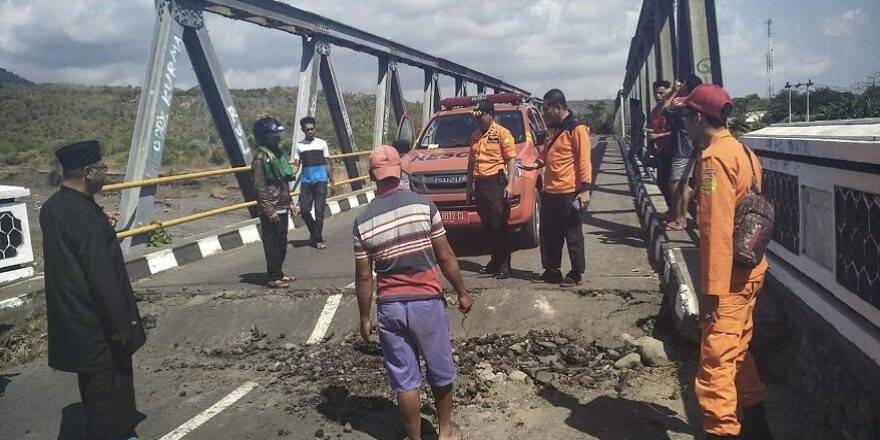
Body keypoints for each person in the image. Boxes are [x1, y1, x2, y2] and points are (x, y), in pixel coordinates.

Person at [671, 84, 775, 440]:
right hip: (752, 272)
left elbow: (716, 230)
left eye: (686, 116)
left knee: (715, 368)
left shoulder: (714, 160)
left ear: (699, 118)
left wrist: (711, 292)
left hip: (728, 281)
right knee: (739, 352)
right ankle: (760, 429)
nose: (684, 124)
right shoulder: (743, 151)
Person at [354, 144, 472, 440]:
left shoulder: (362, 222)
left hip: (390, 308)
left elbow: (364, 277)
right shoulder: (424, 206)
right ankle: (444, 433)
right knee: (440, 370)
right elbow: (446, 256)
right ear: (400, 169)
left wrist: (364, 317)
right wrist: (462, 292)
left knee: (405, 380)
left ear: (372, 176)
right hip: (426, 303)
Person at [40, 140, 146, 440]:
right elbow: (101, 276)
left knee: (93, 387)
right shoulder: (84, 215)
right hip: (98, 321)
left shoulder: (54, 207)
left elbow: (73, 244)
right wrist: (121, 324)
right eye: (102, 169)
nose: (106, 174)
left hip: (72, 316)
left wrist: (101, 221)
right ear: (87, 172)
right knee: (109, 387)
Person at [530, 89, 592, 287]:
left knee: (572, 234)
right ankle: (552, 270)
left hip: (569, 191)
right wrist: (534, 164)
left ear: (558, 107)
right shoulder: (554, 129)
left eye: (546, 109)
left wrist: (585, 189)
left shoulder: (577, 128)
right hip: (550, 191)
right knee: (549, 234)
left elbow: (584, 160)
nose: (544, 114)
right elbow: (545, 155)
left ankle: (575, 273)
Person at [468, 100, 517, 279]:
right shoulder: (474, 135)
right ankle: (494, 261)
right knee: (487, 226)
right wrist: (468, 187)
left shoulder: (502, 134)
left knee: (499, 225)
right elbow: (471, 162)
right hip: (480, 185)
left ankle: (505, 264)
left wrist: (510, 185)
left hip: (496, 183)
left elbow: (511, 160)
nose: (478, 120)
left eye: (481, 116)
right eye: (477, 117)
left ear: (491, 115)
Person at [253, 116, 297, 288]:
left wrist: (290, 202)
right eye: (274, 135)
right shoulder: (260, 158)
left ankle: (278, 273)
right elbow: (260, 187)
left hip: (282, 204)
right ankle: (272, 277)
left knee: (281, 241)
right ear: (265, 136)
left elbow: (283, 182)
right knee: (272, 243)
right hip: (272, 206)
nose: (278, 138)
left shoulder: (277, 155)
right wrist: (268, 209)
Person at [293, 116, 335, 249]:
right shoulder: (299, 145)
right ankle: (316, 234)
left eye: (312, 129)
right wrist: (288, 175)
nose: (310, 132)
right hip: (306, 182)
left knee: (319, 212)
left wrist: (332, 181)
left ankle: (317, 239)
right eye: (307, 130)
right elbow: (296, 165)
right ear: (303, 130)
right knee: (304, 210)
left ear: (315, 129)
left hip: (321, 181)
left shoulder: (322, 143)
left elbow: (328, 164)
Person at [647, 80, 675, 204]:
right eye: (655, 93)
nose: (657, 96)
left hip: (672, 150)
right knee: (661, 182)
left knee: (670, 183)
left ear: (667, 93)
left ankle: (676, 212)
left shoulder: (671, 109)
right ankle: (672, 210)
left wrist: (658, 135)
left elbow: (677, 132)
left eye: (661, 93)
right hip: (660, 151)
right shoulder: (654, 111)